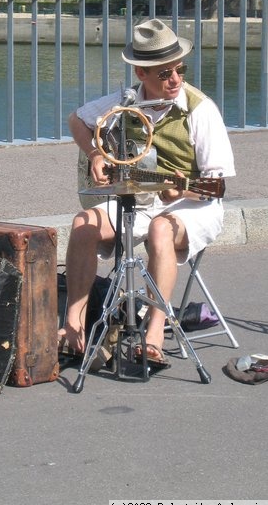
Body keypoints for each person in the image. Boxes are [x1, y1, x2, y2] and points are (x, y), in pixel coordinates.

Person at [58, 18, 235, 368]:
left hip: (192, 203)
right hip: (139, 200)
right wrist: (95, 153)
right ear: (142, 74)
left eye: (179, 70)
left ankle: (154, 333)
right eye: (165, 74)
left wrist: (180, 193)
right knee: (83, 223)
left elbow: (218, 185)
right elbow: (78, 119)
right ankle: (74, 325)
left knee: (160, 229)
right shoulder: (126, 101)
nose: (175, 80)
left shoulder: (199, 110)